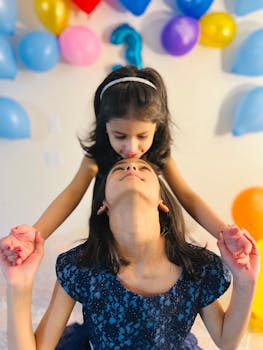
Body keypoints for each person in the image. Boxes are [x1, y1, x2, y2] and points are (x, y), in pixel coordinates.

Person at [0, 65, 251, 265]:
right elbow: (71, 195)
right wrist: (36, 234)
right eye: (119, 136)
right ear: (104, 127)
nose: (131, 149)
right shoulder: (96, 157)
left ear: (157, 127)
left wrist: (224, 232)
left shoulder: (160, 155)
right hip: (111, 239)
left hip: (156, 241)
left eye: (142, 136)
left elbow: (187, 196)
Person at [0, 158, 259, 350]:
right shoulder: (80, 266)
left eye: (143, 168)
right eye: (119, 169)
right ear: (104, 206)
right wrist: (18, 287)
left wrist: (246, 282)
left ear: (162, 203)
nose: (132, 167)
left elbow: (227, 341)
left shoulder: (195, 266)